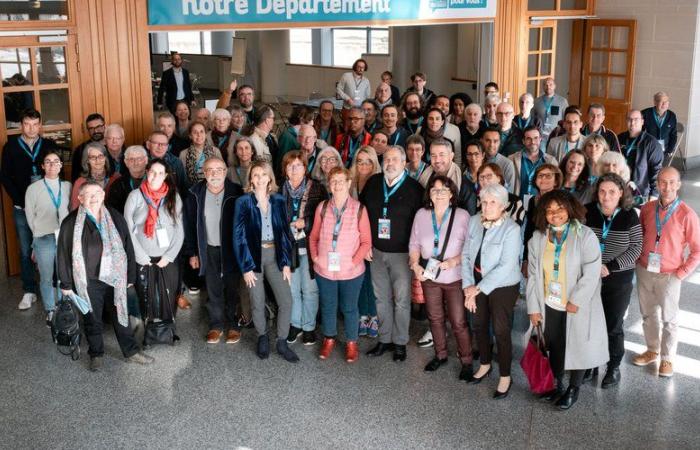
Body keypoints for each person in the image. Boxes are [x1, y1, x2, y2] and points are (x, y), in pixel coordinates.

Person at [57, 181, 154, 371]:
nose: (94, 197)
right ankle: (96, 353)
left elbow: (128, 247)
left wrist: (129, 277)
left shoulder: (115, 217)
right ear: (80, 198)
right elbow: (62, 253)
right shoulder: (70, 223)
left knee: (121, 316)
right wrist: (66, 283)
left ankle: (131, 352)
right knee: (92, 318)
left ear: (103, 194)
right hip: (88, 280)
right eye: (88, 194)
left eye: (97, 193)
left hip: (115, 278)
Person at [527, 190, 609, 410]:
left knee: (577, 345)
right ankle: (557, 385)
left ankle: (574, 388)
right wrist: (533, 307)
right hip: (549, 303)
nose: (555, 214)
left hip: (575, 305)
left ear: (570, 208)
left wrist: (577, 299)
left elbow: (592, 272)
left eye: (560, 208)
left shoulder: (585, 235)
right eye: (549, 210)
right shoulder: (537, 238)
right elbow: (533, 275)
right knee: (556, 345)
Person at [632, 167, 700, 378]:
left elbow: (697, 249)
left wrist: (681, 274)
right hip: (644, 269)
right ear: (657, 184)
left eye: (672, 182)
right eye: (663, 182)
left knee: (669, 319)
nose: (667, 187)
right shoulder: (647, 209)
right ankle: (652, 350)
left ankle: (667, 358)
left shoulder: (687, 214)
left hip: (670, 274)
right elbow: (640, 235)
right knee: (647, 314)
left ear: (678, 185)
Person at [360, 146, 424, 361]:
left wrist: (416, 254)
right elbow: (362, 216)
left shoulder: (416, 189)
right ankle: (384, 339)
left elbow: (420, 225)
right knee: (381, 299)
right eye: (386, 159)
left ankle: (400, 342)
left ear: (404, 162)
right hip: (376, 252)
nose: (390, 163)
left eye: (395, 159)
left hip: (402, 254)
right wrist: (365, 243)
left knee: (402, 301)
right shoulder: (373, 183)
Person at [233, 161, 299, 362]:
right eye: (256, 175)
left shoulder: (279, 201)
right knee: (257, 299)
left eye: (264, 174)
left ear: (270, 177)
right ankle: (262, 336)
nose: (260, 178)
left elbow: (285, 234)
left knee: (286, 300)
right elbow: (239, 236)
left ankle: (281, 340)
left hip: (275, 256)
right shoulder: (243, 202)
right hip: (253, 257)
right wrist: (246, 267)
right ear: (251, 179)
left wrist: (286, 263)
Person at [409, 176, 473, 379]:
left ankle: (467, 361)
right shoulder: (421, 214)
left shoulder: (462, 216)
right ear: (429, 193)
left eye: (443, 190)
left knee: (458, 321)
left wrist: (452, 262)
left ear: (452, 194)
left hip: (454, 278)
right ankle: (441, 354)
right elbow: (414, 244)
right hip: (429, 277)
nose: (438, 193)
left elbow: (470, 248)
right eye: (434, 190)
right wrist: (414, 264)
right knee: (435, 318)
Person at [462, 183, 522, 397]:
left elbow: (506, 266)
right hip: (476, 282)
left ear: (503, 206)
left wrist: (476, 290)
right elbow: (466, 255)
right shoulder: (473, 222)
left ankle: (505, 376)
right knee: (478, 324)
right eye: (484, 202)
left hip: (503, 286)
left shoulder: (512, 230)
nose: (486, 207)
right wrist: (468, 286)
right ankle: (485, 364)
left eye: (492, 203)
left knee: (500, 330)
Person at [585, 173, 642, 387]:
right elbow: (579, 240)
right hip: (590, 277)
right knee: (590, 322)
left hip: (618, 280)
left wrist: (610, 267)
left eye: (612, 191)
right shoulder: (588, 211)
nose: (606, 196)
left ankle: (613, 367)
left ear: (621, 193)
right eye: (602, 191)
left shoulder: (629, 215)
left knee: (613, 325)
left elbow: (636, 247)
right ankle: (590, 364)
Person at [309, 167, 371, 362]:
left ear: (348, 183)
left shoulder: (359, 209)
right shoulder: (323, 208)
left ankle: (351, 342)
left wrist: (353, 262)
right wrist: (315, 257)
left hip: (351, 272)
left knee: (349, 308)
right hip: (325, 270)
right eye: (333, 181)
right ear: (329, 184)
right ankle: (329, 338)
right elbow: (313, 238)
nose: (336, 185)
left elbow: (367, 242)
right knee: (328, 306)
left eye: (340, 181)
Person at [1, 109, 61, 309]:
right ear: (21, 125)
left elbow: (56, 173)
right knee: (26, 249)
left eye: (35, 124)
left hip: (46, 209)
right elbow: (5, 177)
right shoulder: (10, 147)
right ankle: (29, 290)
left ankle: (54, 285)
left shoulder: (49, 145)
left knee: (50, 247)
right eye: (27, 124)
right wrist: (21, 201)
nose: (32, 128)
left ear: (40, 125)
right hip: (22, 207)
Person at [184, 157, 244, 344]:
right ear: (204, 172)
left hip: (232, 250)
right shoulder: (194, 194)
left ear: (225, 172)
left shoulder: (237, 192)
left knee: (233, 288)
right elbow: (189, 226)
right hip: (207, 249)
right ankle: (216, 325)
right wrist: (193, 252)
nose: (215, 173)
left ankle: (233, 325)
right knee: (213, 288)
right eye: (210, 170)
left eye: (219, 169)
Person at [124, 159, 184, 337]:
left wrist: (170, 255)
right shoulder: (135, 196)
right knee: (146, 295)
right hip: (143, 257)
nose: (155, 176)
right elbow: (128, 228)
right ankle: (149, 331)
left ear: (165, 176)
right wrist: (140, 256)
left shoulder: (174, 196)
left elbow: (179, 228)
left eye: (160, 173)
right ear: (146, 172)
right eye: (152, 172)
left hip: (167, 257)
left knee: (169, 293)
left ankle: (167, 330)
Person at [281, 151, 328, 346]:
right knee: (291, 289)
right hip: (288, 247)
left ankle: (309, 327)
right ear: (285, 169)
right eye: (290, 166)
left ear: (305, 168)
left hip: (309, 247)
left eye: (299, 165)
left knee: (310, 290)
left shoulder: (317, 188)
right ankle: (295, 324)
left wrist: (306, 223)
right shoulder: (278, 191)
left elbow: (325, 217)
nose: (294, 169)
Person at [25, 150, 71, 324]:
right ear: (43, 166)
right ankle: (51, 310)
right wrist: (37, 235)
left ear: (61, 165)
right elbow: (30, 216)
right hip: (44, 237)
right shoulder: (33, 188)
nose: (52, 164)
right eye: (48, 162)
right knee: (46, 276)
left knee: (62, 275)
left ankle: (62, 307)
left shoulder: (67, 186)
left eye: (56, 161)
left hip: (64, 237)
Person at [348, 146, 381, 337]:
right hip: (353, 241)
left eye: (368, 161)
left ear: (374, 163)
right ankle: (362, 316)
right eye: (360, 161)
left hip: (373, 240)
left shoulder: (379, 182)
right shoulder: (350, 183)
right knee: (359, 279)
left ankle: (374, 316)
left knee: (373, 280)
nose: (364, 165)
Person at [522, 164, 563, 277]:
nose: (543, 179)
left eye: (548, 176)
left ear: (556, 181)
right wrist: (525, 259)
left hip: (555, 251)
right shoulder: (532, 201)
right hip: (535, 249)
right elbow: (529, 230)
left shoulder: (562, 200)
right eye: (540, 175)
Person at [617, 110, 664, 200]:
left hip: (640, 192)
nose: (632, 122)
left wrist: (654, 194)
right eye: (629, 119)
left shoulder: (651, 143)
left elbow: (656, 170)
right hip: (620, 189)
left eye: (636, 119)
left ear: (642, 122)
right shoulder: (619, 138)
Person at [509, 125, 558, 201]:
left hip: (542, 204)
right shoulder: (512, 159)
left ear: (540, 139)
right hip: (518, 204)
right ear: (523, 141)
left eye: (536, 138)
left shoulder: (551, 161)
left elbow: (555, 185)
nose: (533, 142)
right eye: (529, 139)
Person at [70, 142, 120, 210]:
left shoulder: (116, 178)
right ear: (87, 160)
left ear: (105, 158)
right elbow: (75, 209)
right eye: (93, 157)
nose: (97, 160)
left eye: (100, 156)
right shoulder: (80, 182)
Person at [179, 121, 223, 189]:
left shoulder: (215, 151)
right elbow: (183, 177)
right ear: (190, 136)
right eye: (195, 132)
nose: (199, 135)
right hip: (192, 190)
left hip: (213, 189)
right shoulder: (183, 154)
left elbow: (222, 172)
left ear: (206, 134)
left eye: (201, 131)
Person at [106, 145, 148, 214]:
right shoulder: (117, 184)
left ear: (146, 160)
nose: (136, 163)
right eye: (131, 159)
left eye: (139, 159)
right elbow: (113, 211)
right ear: (126, 162)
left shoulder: (154, 180)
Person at [145, 130, 187, 194]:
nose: (160, 147)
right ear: (148, 145)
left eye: (164, 144)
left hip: (172, 200)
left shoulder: (176, 162)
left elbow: (184, 188)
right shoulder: (142, 162)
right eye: (156, 143)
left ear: (167, 147)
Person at [277, 105, 314, 170]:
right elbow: (281, 163)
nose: (312, 123)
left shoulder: (302, 134)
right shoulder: (287, 137)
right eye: (310, 120)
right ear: (302, 120)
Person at [71, 113, 106, 183]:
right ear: (87, 130)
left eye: (98, 127)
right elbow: (75, 177)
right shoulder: (79, 150)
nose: (95, 131)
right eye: (91, 129)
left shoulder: (112, 146)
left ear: (104, 126)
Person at [534, 77, 569, 145]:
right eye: (545, 85)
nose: (548, 87)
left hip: (556, 135)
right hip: (541, 137)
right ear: (543, 87)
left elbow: (566, 118)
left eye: (550, 84)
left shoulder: (562, 101)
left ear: (554, 86)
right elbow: (533, 118)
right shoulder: (537, 101)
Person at [641, 92, 677, 156]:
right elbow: (639, 133)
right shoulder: (645, 114)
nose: (664, 104)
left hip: (664, 151)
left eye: (666, 101)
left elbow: (673, 135)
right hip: (647, 150)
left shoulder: (672, 116)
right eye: (661, 101)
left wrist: (670, 150)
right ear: (655, 102)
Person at [481, 128, 516, 193]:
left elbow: (509, 193)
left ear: (500, 142)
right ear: (481, 141)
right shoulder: (476, 161)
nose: (491, 144)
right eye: (488, 140)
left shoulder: (507, 164)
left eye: (495, 141)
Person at [457, 141, 485, 215]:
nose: (473, 158)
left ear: (483, 155)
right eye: (469, 154)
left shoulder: (491, 174)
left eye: (476, 154)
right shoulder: (460, 176)